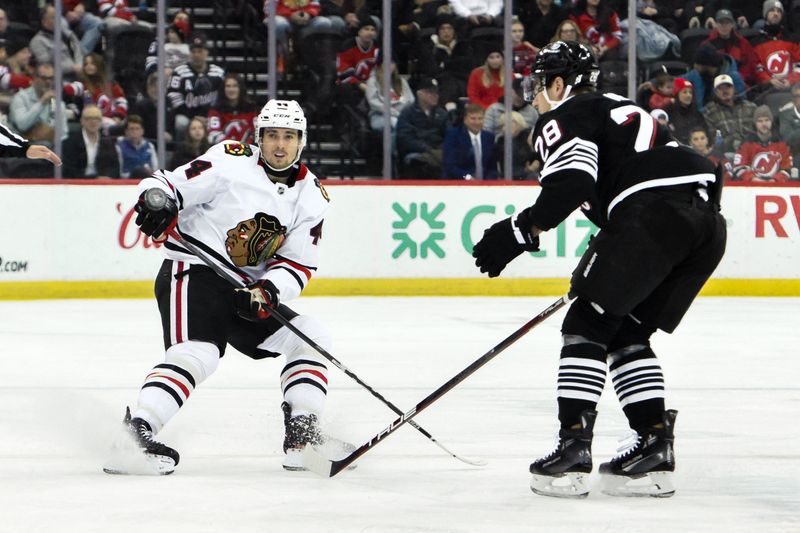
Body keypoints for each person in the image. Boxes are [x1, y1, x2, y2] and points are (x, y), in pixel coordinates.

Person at [472, 41, 726, 498]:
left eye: (537, 85)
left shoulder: (565, 114)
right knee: (625, 330)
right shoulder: (619, 108)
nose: (533, 96)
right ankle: (652, 449)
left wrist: (519, 229)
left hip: (653, 210)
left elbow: (574, 181)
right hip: (707, 223)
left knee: (586, 323)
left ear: (557, 83)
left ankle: (572, 450)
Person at [103, 100, 344, 475]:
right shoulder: (230, 160)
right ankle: (134, 436)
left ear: (302, 141)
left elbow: (298, 263)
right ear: (258, 138)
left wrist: (268, 290)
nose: (280, 145)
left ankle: (302, 436)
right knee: (200, 353)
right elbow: (166, 182)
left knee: (310, 337)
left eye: (289, 137)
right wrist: (157, 201)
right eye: (272, 136)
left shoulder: (312, 195)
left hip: (246, 289)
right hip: (193, 271)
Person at [167, 33, 226, 140]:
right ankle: (183, 151)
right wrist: (193, 117)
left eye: (200, 51)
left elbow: (223, 97)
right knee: (180, 122)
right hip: (188, 116)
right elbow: (173, 97)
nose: (197, 55)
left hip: (212, 117)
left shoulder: (218, 72)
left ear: (207, 52)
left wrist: (210, 116)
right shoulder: (179, 72)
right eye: (194, 52)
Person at [396, 77, 449, 179]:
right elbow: (405, 138)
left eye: (436, 93)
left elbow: (449, 134)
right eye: (430, 93)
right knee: (417, 161)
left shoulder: (442, 114)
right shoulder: (408, 113)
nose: (435, 96)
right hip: (418, 152)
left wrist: (442, 149)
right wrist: (427, 149)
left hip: (439, 152)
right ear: (420, 94)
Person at [733, 105, 793, 181]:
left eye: (767, 120)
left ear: (771, 121)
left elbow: (787, 169)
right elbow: (739, 168)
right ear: (755, 123)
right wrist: (753, 178)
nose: (764, 124)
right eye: (760, 121)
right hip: (751, 188)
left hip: (776, 187)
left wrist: (775, 180)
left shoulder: (782, 143)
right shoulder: (746, 144)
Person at [703, 73, 758, 155]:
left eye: (728, 87)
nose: (725, 91)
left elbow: (759, 131)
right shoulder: (710, 111)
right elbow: (712, 137)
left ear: (733, 88)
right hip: (725, 153)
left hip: (751, 150)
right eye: (720, 88)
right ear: (715, 92)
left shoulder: (750, 107)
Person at [62, 104, 120, 178]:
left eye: (97, 118)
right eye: (89, 118)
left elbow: (114, 167)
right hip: (78, 185)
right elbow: (69, 172)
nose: (93, 121)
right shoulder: (70, 143)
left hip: (103, 185)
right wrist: (94, 179)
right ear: (82, 121)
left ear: (101, 121)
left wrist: (108, 177)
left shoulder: (108, 142)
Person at [442, 102, 497, 179]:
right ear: (465, 120)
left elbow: (492, 167)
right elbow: (450, 166)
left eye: (480, 118)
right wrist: (467, 177)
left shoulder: (489, 137)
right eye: (473, 118)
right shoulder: (454, 135)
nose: (477, 122)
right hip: (459, 183)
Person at [115, 114, 158, 178]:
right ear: (126, 131)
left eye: (137, 129)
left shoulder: (149, 146)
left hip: (146, 180)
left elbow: (155, 168)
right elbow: (119, 171)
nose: (134, 131)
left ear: (142, 131)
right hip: (128, 181)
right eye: (131, 129)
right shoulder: (119, 147)